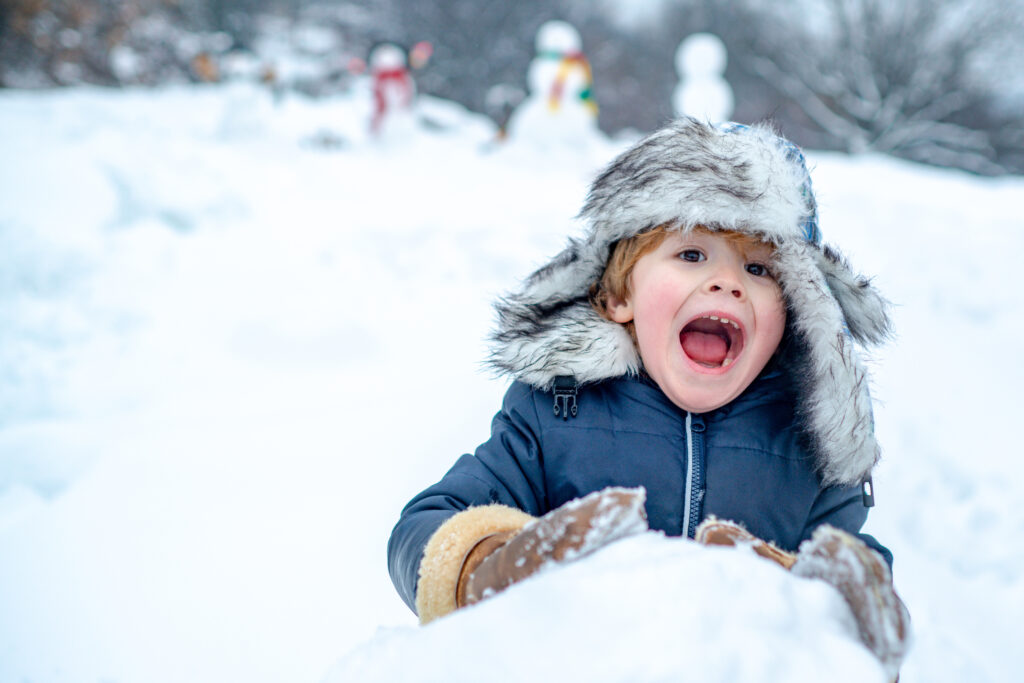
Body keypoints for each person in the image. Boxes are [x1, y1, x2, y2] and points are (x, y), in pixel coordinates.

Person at [387, 118, 910, 678]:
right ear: (619, 297)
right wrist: (493, 565)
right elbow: (424, 528)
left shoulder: (805, 439)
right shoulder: (557, 410)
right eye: (691, 255)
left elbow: (853, 589)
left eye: (758, 268)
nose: (727, 282)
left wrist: (824, 598)